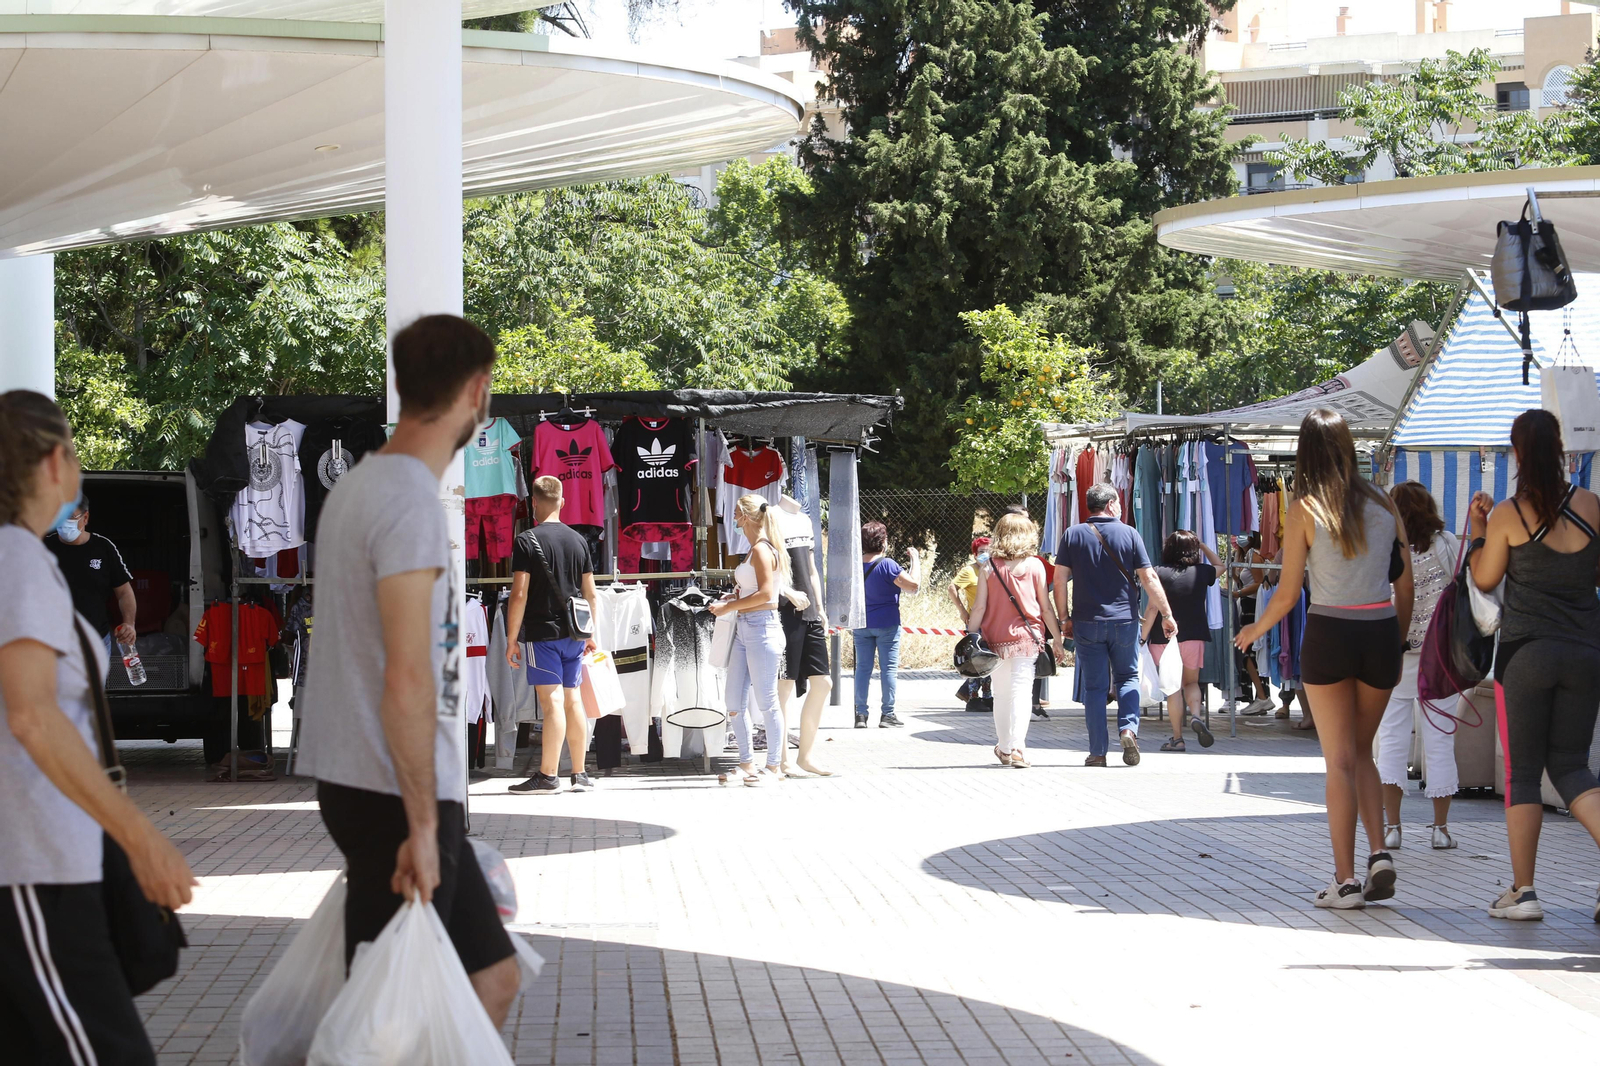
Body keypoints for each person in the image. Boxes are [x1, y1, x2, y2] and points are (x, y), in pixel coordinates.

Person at [298, 316, 519, 1023]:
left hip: (371, 782)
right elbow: (407, 676)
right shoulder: (406, 502)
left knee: (490, 977)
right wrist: (423, 827)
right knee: (385, 1017)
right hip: (391, 791)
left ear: (401, 383)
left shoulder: (360, 489)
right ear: (478, 391)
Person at [0, 390, 195, 1065]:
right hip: (31, 866)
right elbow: (32, 714)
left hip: (44, 862)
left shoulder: (21, 559)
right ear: (55, 461)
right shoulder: (17, 562)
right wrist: (142, 839)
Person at [1235, 408, 1413, 910]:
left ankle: (1346, 881)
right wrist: (1395, 641)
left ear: (1307, 452)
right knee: (1364, 752)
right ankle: (1380, 852)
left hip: (1331, 632)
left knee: (1337, 760)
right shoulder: (1384, 502)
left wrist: (1256, 628)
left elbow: (1288, 594)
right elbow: (1405, 583)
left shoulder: (1305, 508)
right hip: (1379, 632)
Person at [1466, 408, 1600, 922]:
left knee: (1524, 773)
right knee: (1571, 766)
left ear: (1519, 453)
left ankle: (1523, 892)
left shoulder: (1509, 513)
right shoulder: (1590, 505)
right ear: (1561, 447)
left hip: (1527, 654)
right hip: (1586, 651)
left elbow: (1483, 578)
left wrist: (1478, 532)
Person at [1054, 483, 1177, 767]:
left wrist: (1064, 619)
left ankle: (1097, 752)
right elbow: (1149, 578)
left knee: (1095, 688)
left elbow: (1060, 580)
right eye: (1119, 502)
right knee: (1127, 678)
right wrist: (1167, 614)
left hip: (1086, 622)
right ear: (1110, 505)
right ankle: (1128, 729)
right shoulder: (1129, 533)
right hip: (1125, 621)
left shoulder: (1072, 535)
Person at [1377, 482, 1461, 852]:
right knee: (1440, 743)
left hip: (1397, 654)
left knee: (1392, 742)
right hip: (1441, 657)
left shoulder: (1386, 549)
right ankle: (1440, 830)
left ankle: (1392, 828)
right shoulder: (1447, 544)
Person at [506, 476, 601, 796]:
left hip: (542, 633)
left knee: (552, 704)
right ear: (562, 502)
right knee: (573, 700)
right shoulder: (579, 541)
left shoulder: (526, 540)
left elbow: (518, 594)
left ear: (534, 502)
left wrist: (510, 639)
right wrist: (591, 632)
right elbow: (591, 593)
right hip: (575, 633)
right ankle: (580, 773)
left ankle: (548, 776)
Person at [965, 513, 1065, 768]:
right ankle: (1017, 748)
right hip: (1028, 638)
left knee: (1002, 695)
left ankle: (1005, 747)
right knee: (1022, 693)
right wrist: (1058, 639)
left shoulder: (988, 566)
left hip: (995, 639)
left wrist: (971, 638)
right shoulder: (1036, 566)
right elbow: (1045, 608)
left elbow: (979, 607)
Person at [712, 495, 792, 785]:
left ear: (746, 517)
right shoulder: (753, 550)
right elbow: (754, 592)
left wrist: (730, 606)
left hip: (761, 629)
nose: (732, 519)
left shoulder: (761, 550)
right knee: (734, 699)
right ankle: (747, 763)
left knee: (767, 701)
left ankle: (773, 767)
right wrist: (734, 599)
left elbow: (767, 596)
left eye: (735, 514)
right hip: (747, 629)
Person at [1143, 530, 1218, 752]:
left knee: (1173, 689)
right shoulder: (1203, 572)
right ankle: (1195, 715)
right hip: (1194, 636)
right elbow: (1222, 566)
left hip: (1162, 638)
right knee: (1191, 683)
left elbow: (1152, 608)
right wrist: (1203, 547)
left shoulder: (1158, 573)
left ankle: (1177, 738)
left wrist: (1143, 637)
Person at [775, 494, 833, 777]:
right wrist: (787, 592)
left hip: (810, 611)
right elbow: (765, 566)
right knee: (784, 688)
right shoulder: (770, 516)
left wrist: (820, 606)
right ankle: (782, 759)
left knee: (823, 683)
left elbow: (811, 569)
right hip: (784, 611)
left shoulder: (805, 520)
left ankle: (805, 756)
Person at [44, 495, 138, 666]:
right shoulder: (42, 547)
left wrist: (129, 623)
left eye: (71, 517)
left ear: (85, 518)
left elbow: (124, 592)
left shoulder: (103, 548)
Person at [853, 521, 921, 728]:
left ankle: (860, 715)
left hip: (861, 622)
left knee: (862, 669)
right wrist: (916, 560)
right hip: (887, 623)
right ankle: (887, 714)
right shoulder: (888, 565)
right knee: (888, 669)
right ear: (883, 542)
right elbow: (913, 586)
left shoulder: (854, 564)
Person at [1228, 532, 1275, 715]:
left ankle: (1262, 697)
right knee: (1249, 653)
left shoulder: (1254, 554)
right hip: (1247, 605)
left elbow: (1259, 582)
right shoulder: (1244, 556)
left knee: (1247, 652)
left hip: (1253, 607)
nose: (1239, 537)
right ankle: (1260, 696)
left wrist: (1238, 593)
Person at [949, 536, 993, 712]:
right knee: (976, 661)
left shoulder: (993, 569)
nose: (985, 554)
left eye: (988, 551)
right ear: (975, 554)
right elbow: (952, 588)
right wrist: (963, 611)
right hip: (977, 622)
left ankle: (988, 697)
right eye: (981, 551)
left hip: (992, 622)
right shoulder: (970, 571)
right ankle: (973, 698)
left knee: (989, 661)